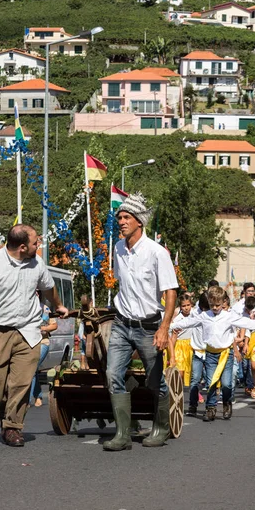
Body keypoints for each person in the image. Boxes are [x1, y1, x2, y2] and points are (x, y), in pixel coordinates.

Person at [0, 224, 68, 447]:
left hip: (29, 331)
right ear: (22, 247)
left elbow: (48, 287)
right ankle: (3, 412)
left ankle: (12, 427)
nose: (38, 246)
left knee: (21, 383)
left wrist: (58, 305)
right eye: (35, 243)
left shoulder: (37, 263)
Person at [103, 193, 178, 451]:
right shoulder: (118, 248)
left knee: (154, 380)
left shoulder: (157, 253)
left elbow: (170, 292)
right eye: (119, 218)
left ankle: (161, 428)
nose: (121, 222)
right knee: (113, 373)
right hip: (122, 323)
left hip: (149, 326)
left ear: (139, 222)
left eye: (126, 217)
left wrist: (164, 328)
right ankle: (122, 434)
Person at [171, 286, 255, 422]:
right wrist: (167, 327)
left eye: (218, 305)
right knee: (211, 382)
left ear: (223, 302)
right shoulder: (205, 316)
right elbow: (188, 322)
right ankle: (210, 408)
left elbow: (247, 322)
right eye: (212, 305)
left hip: (226, 354)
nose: (215, 308)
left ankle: (226, 403)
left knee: (226, 384)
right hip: (211, 354)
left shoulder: (228, 316)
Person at [29, 296, 58, 407]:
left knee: (31, 368)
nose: (35, 293)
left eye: (37, 291)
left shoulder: (45, 308)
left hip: (43, 342)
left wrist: (44, 329)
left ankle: (27, 400)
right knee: (33, 370)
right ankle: (38, 396)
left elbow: (54, 325)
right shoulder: (26, 307)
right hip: (29, 343)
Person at [186, 291, 209, 415]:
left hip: (211, 352)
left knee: (211, 381)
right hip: (197, 351)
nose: (205, 309)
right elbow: (185, 321)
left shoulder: (213, 314)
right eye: (203, 307)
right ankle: (192, 405)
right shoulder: (195, 313)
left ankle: (210, 407)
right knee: (195, 379)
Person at [169, 293, 194, 387]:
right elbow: (173, 335)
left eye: (188, 305)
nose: (186, 308)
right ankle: (177, 391)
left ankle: (194, 392)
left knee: (191, 372)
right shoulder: (178, 320)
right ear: (180, 307)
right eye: (184, 306)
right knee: (180, 372)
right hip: (179, 347)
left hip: (191, 345)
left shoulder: (194, 315)